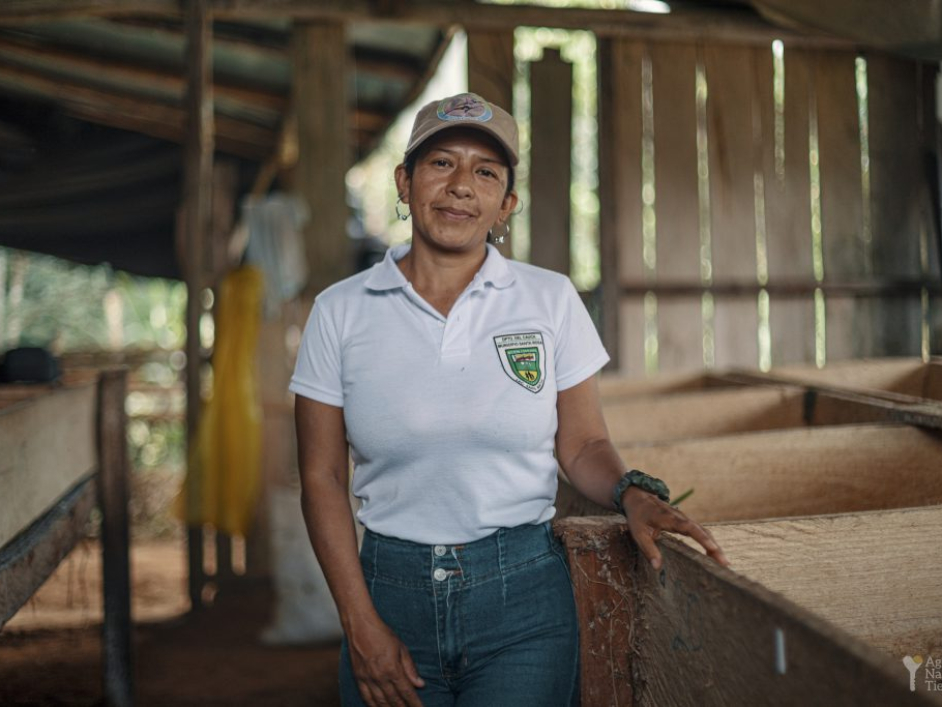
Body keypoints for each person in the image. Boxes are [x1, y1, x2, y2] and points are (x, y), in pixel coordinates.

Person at [290, 92, 730, 707]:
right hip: (388, 591)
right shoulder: (340, 311)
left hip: (524, 600)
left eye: (487, 172)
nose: (461, 185)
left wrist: (632, 492)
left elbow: (583, 444)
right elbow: (322, 477)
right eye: (441, 163)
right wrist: (358, 622)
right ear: (404, 181)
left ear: (506, 204)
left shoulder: (549, 300)